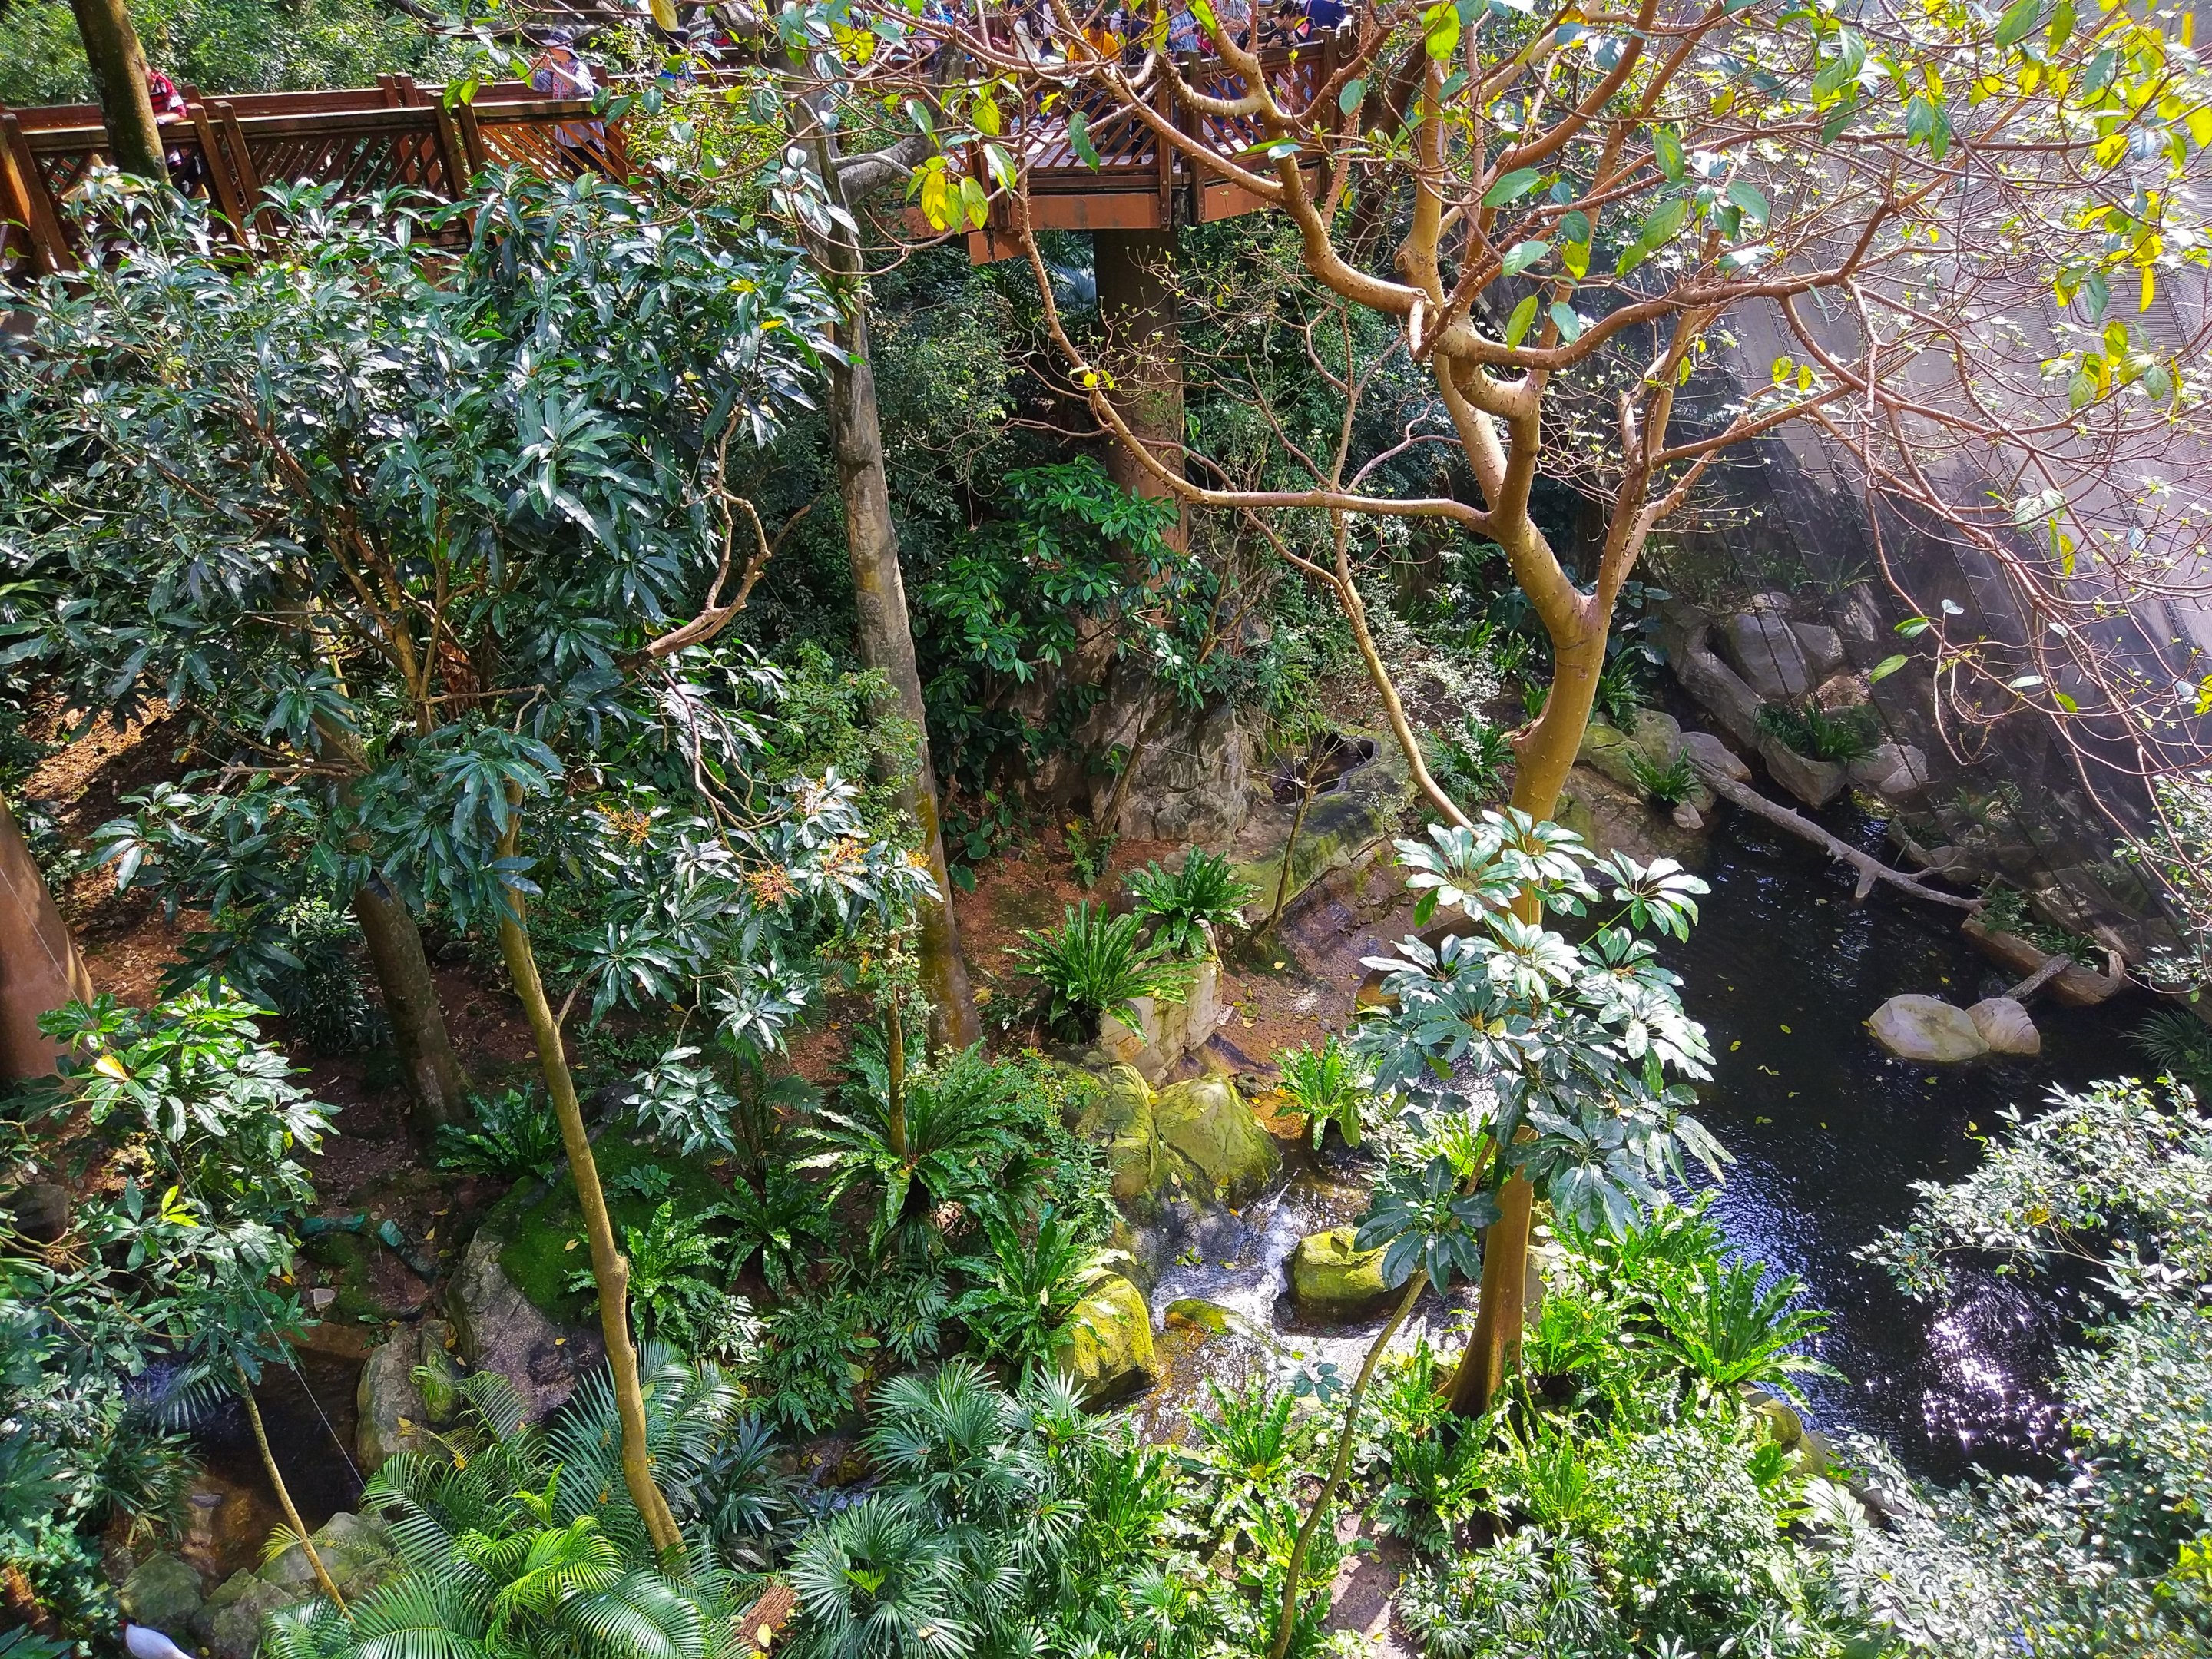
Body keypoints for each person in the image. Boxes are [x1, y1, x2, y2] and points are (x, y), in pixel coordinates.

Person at [527, 29, 608, 171]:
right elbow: (539, 85)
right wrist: (532, 69)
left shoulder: (579, 67)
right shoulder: (555, 68)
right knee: (573, 173)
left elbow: (580, 86)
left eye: (553, 47)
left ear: (564, 50)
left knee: (596, 173)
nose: (551, 50)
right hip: (565, 133)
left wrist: (553, 68)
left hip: (586, 133)